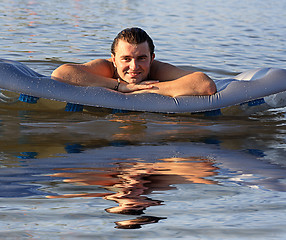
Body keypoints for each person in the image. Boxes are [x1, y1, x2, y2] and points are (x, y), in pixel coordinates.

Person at [52, 27, 216, 98]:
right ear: (114, 59)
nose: (134, 67)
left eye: (141, 58)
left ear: (151, 58)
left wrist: (147, 90)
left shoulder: (157, 70)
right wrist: (120, 86)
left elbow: (205, 85)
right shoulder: (107, 68)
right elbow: (61, 74)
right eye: (126, 59)